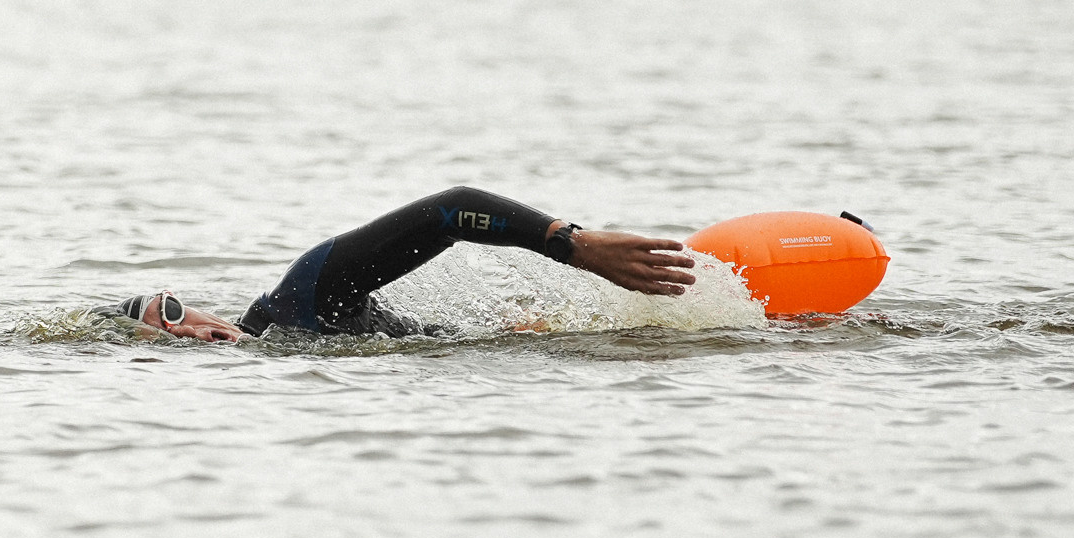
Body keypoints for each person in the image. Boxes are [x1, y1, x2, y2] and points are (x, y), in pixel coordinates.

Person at [117, 187, 696, 341]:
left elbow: (449, 211)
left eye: (170, 311)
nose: (187, 333)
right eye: (170, 340)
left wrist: (572, 244)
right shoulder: (290, 352)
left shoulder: (298, 300)